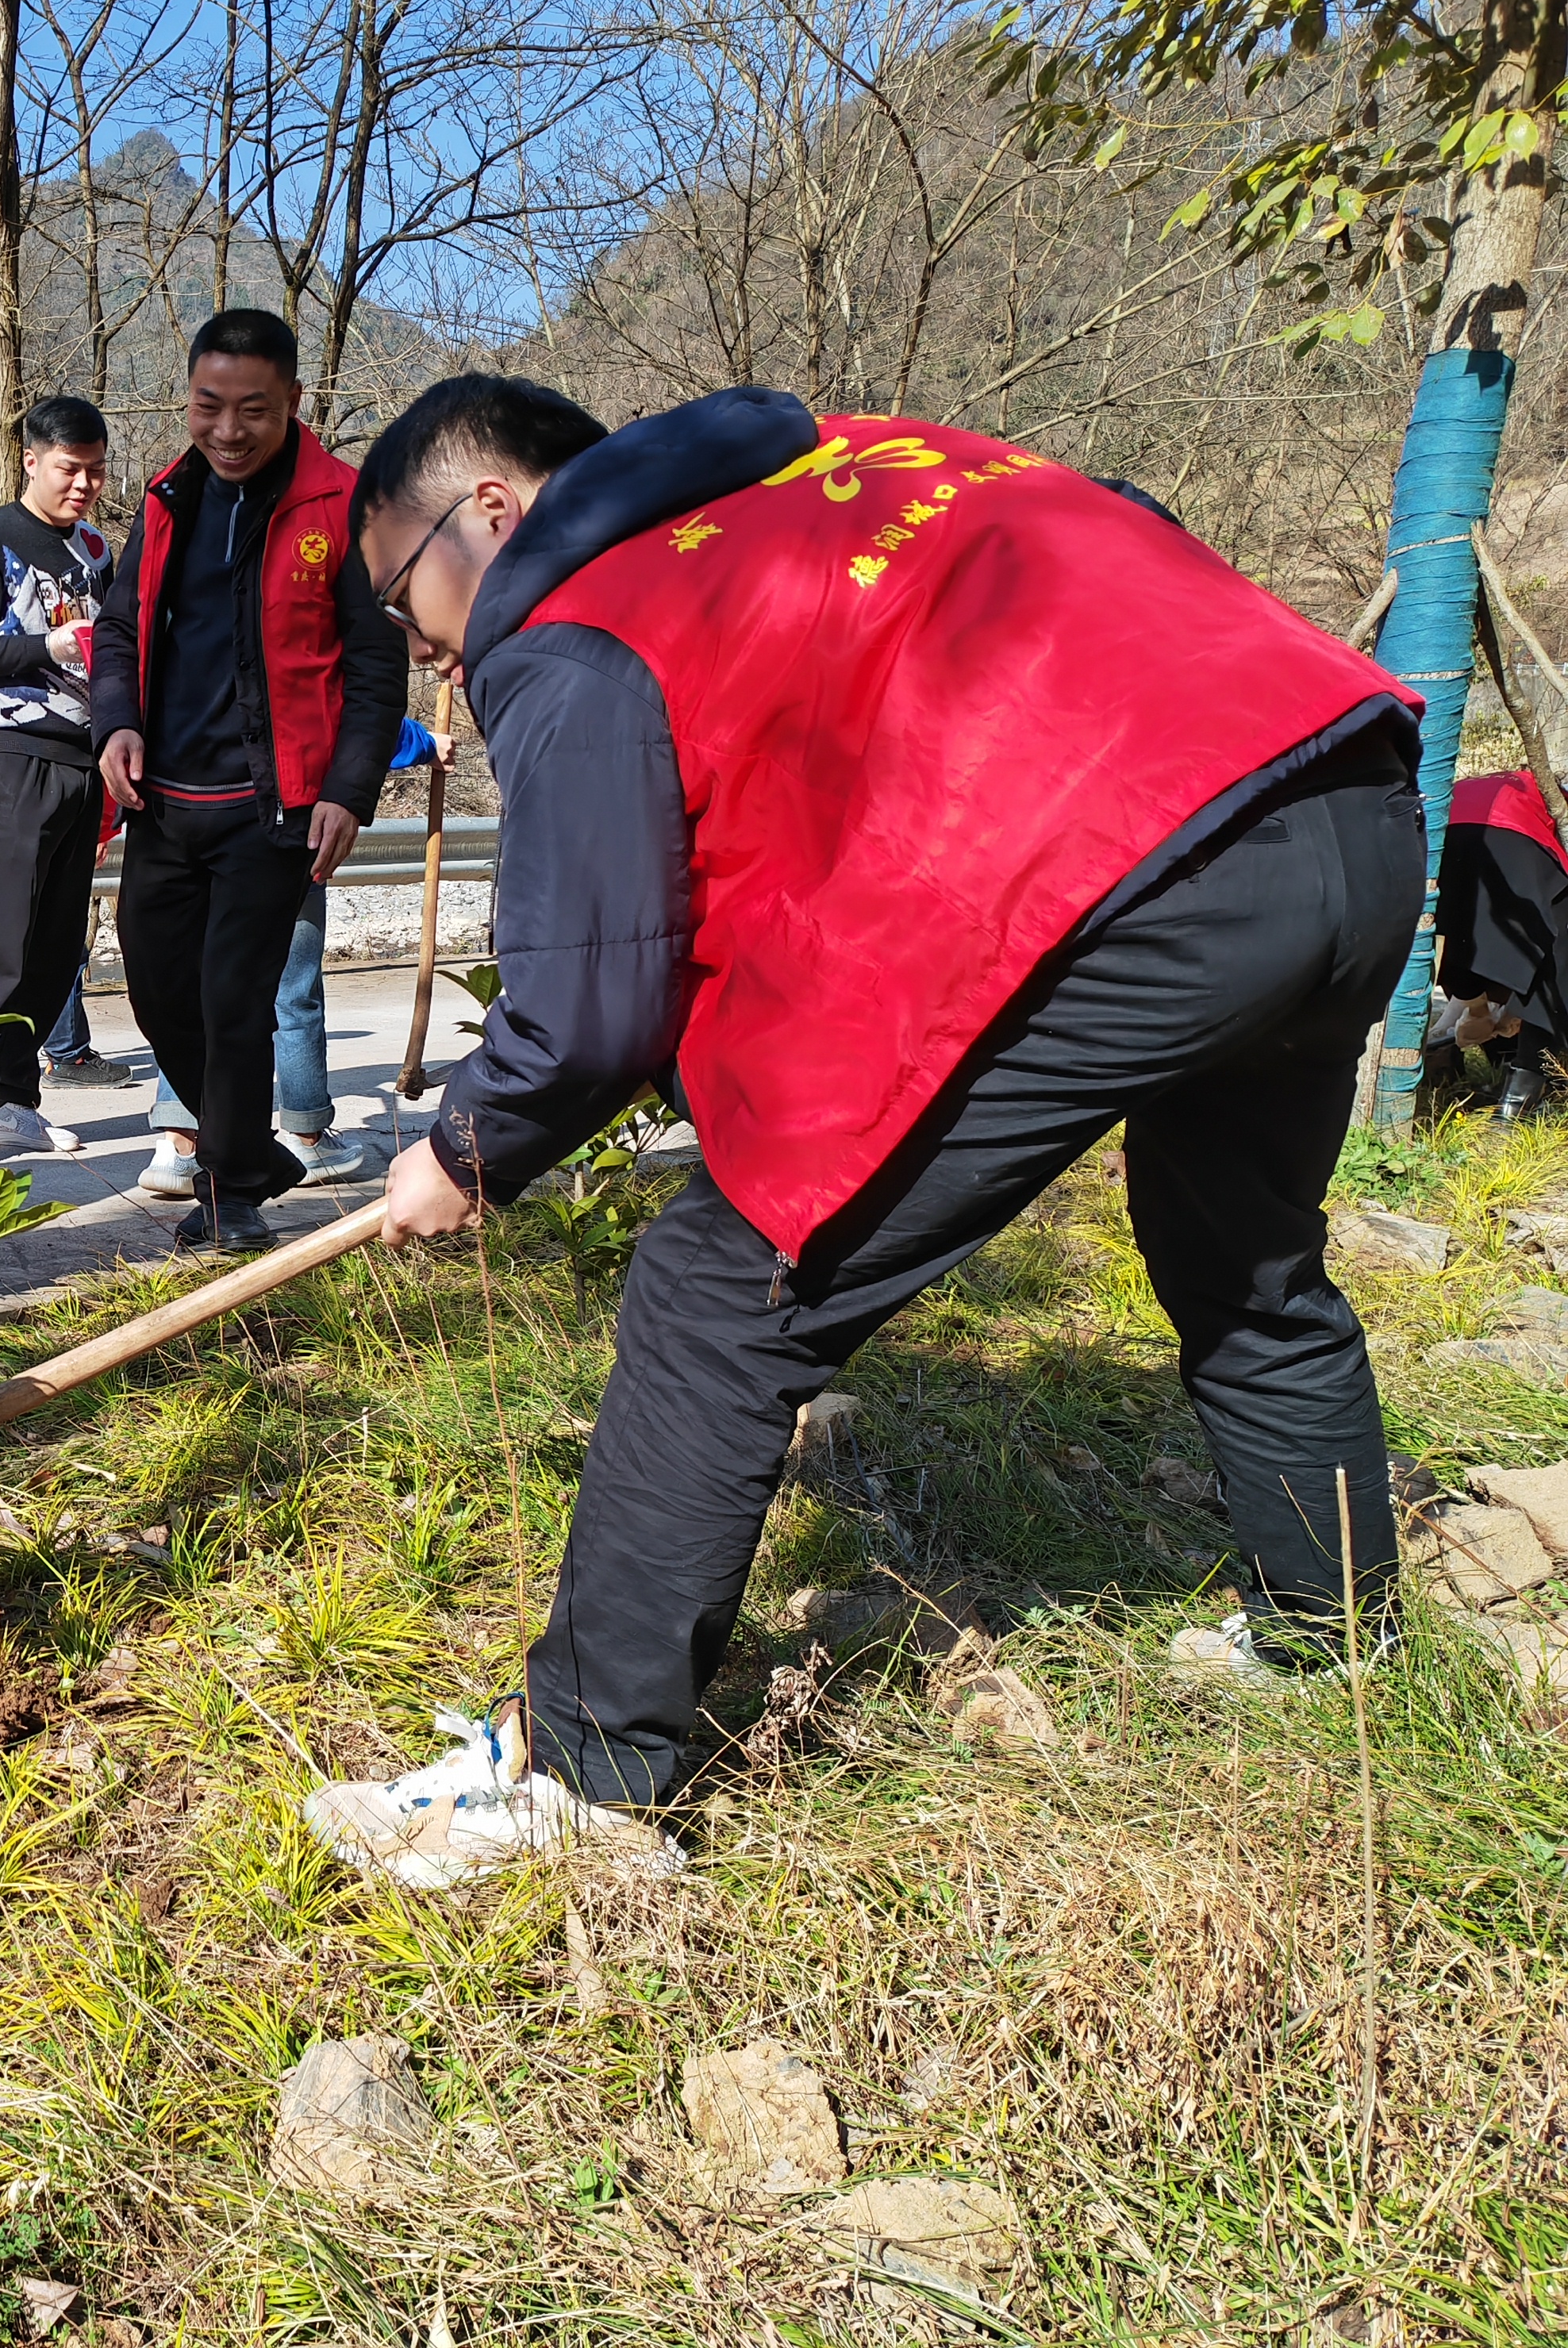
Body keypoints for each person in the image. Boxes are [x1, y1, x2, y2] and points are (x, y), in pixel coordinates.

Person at [319, 375, 1417, 1887]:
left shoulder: (577, 611)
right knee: (1246, 1253)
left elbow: (587, 1006)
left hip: (1130, 863)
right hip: (1338, 788)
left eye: (402, 594)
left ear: (492, 515)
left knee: (718, 1290)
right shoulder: (849, 466)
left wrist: (466, 1148)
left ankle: (577, 1773)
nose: (420, 644)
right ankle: (1338, 1630)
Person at [90, 309, 407, 1253]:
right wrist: (115, 723)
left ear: (293, 405)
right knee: (154, 992)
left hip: (273, 811)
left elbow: (376, 666)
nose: (228, 431)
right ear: (188, 399)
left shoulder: (345, 506)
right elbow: (116, 632)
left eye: (252, 411)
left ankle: (231, 1198)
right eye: (208, 406)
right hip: (163, 804)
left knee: (236, 1003)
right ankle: (252, 1152)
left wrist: (350, 790)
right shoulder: (165, 499)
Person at [140, 709, 444, 1200]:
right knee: (291, 990)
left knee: (195, 988)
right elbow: (354, 715)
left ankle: (181, 1142)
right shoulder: (282, 642)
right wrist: (427, 744)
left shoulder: (183, 644)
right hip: (279, 829)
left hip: (188, 827)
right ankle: (305, 1135)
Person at [0, 394, 113, 1167]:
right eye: (70, 469)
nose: (83, 485)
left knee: (55, 943)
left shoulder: (97, 552)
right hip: (6, 756)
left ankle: (13, 1102)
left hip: (84, 760)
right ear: (31, 460)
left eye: (96, 471)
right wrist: (51, 645)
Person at [1434, 768, 1563, 1122]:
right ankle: (1517, 1104)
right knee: (1554, 958)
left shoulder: (1511, 780)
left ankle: (1490, 1052)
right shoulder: (1548, 792)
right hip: (1517, 836)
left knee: (1453, 937)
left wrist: (1477, 1008)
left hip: (1438, 833)